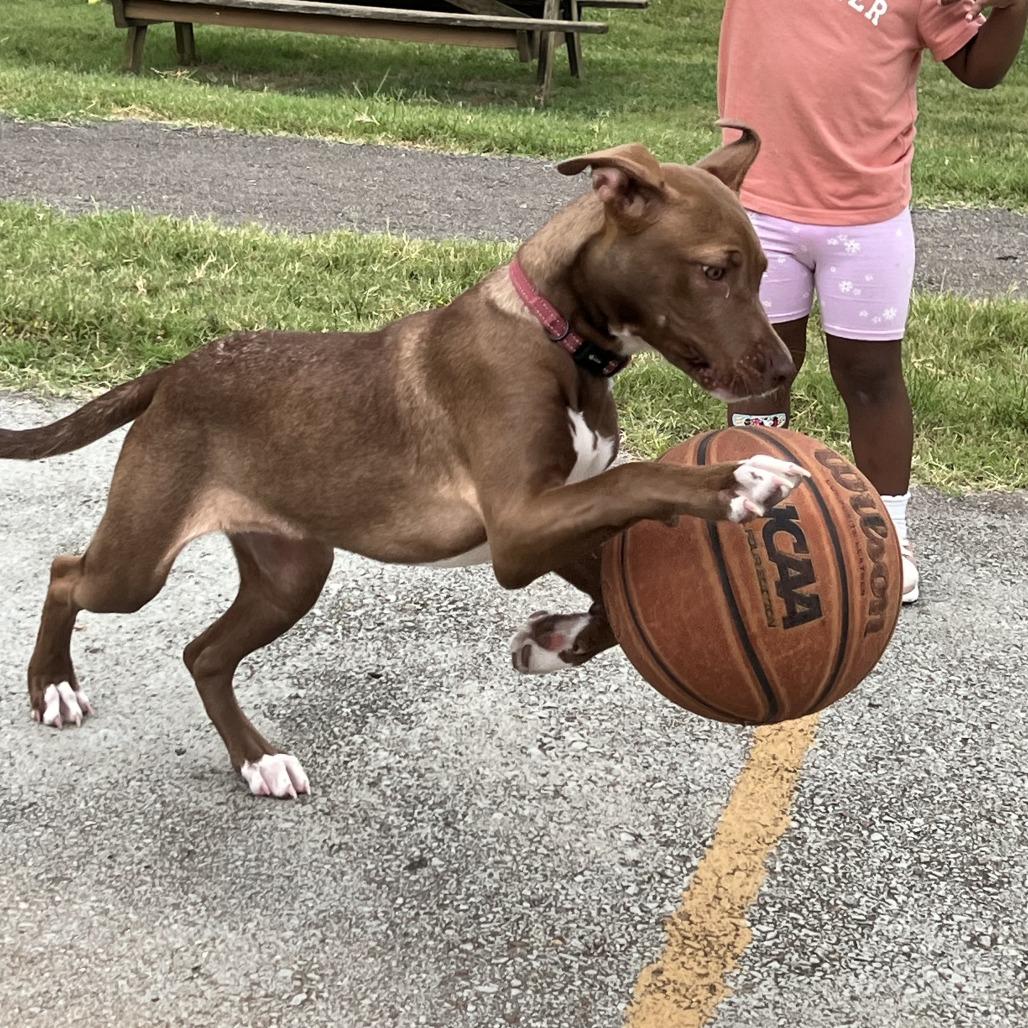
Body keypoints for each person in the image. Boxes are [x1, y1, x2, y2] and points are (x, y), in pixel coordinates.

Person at [717, 0, 1027, 603]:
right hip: (757, 204)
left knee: (869, 375)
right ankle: (758, 520)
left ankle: (888, 530)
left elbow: (981, 69)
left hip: (867, 216)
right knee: (760, 372)